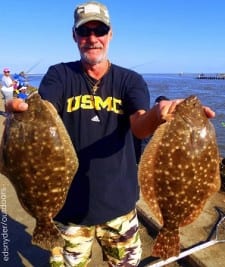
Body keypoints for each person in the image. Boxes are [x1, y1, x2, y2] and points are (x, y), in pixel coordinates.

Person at [5, 2, 215, 267]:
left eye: (99, 30)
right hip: (68, 211)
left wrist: (158, 114)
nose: (92, 39)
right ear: (74, 36)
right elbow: (46, 112)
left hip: (120, 211)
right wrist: (19, 111)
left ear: (110, 34)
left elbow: (139, 127)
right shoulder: (59, 75)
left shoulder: (130, 80)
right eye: (84, 32)